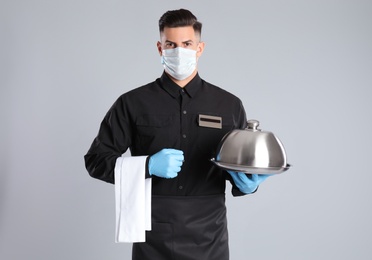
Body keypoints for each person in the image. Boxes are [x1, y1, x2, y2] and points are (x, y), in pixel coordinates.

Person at [84, 9, 269, 260]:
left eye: (187, 44)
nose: (178, 51)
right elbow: (96, 160)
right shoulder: (132, 103)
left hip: (209, 233)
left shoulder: (228, 105)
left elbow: (238, 166)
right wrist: (147, 165)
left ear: (200, 48)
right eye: (170, 44)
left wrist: (248, 184)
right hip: (153, 231)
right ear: (160, 48)